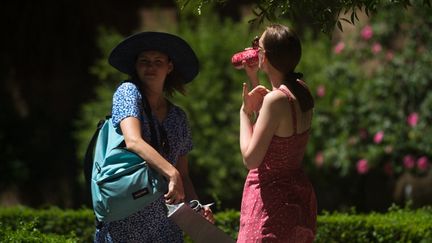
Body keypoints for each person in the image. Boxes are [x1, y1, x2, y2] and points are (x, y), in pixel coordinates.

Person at [94, 31, 214, 242]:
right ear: (136, 67)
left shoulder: (178, 117)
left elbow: (184, 176)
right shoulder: (128, 92)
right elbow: (133, 141)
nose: (151, 66)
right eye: (144, 61)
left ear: (169, 67)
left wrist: (197, 207)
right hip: (126, 222)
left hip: (167, 227)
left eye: (158, 61)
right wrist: (171, 173)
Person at [237, 24, 317, 242]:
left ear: (265, 56)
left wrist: (244, 112)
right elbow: (273, 127)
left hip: (270, 202)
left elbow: (251, 159)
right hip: (296, 196)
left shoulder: (276, 100)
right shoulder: (300, 90)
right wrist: (255, 80)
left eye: (257, 45)